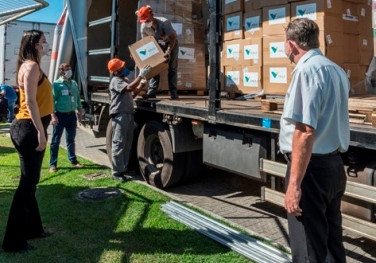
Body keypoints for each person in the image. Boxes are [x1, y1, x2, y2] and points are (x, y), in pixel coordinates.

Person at [279, 18, 350, 262]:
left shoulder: (306, 71)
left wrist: (294, 185)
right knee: (331, 244)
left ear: (292, 45)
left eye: (284, 45)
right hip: (333, 167)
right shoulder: (336, 70)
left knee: (309, 248)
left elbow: (305, 130)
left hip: (310, 169)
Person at [2, 29, 54, 253]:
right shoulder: (31, 67)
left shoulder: (28, 65)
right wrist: (41, 132)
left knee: (30, 182)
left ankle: (34, 229)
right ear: (34, 45)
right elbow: (31, 103)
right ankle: (14, 242)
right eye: (43, 42)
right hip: (29, 128)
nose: (46, 45)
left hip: (27, 127)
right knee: (27, 185)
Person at [107, 58, 151, 181]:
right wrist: (140, 76)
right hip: (120, 115)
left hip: (128, 114)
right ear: (117, 71)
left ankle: (123, 168)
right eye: (122, 67)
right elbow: (130, 88)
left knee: (127, 143)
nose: (125, 69)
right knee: (119, 143)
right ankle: (116, 172)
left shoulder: (123, 80)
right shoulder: (115, 81)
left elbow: (133, 94)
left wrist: (142, 84)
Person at [136, 5, 179, 100]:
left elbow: (173, 38)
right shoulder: (144, 27)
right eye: (144, 21)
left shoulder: (164, 23)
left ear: (152, 16)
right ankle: (152, 92)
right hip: (156, 45)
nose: (146, 23)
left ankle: (173, 93)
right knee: (153, 66)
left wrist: (168, 51)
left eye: (147, 20)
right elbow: (146, 42)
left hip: (171, 43)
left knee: (172, 68)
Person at [49, 63, 84, 172]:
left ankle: (73, 160)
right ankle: (53, 164)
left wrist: (79, 109)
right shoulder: (56, 84)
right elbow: (51, 101)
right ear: (61, 71)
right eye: (67, 69)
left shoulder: (73, 83)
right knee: (55, 140)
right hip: (60, 115)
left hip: (71, 115)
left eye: (70, 69)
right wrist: (53, 115)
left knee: (71, 139)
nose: (69, 71)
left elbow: (77, 97)